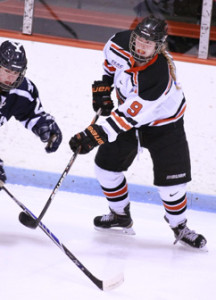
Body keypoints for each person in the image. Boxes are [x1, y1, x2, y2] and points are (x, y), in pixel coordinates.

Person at [69, 16, 207, 249]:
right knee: (105, 169)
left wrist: (93, 136)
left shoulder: (158, 75)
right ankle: (120, 215)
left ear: (159, 46)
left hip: (165, 125)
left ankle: (179, 226)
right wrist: (105, 86)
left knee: (172, 187)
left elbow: (126, 118)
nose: (141, 46)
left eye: (149, 43)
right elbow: (110, 64)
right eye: (139, 39)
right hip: (127, 116)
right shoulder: (118, 43)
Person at [0, 40, 62, 189]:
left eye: (16, 73)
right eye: (7, 71)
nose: (11, 77)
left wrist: (45, 126)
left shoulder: (22, 90)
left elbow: (30, 113)